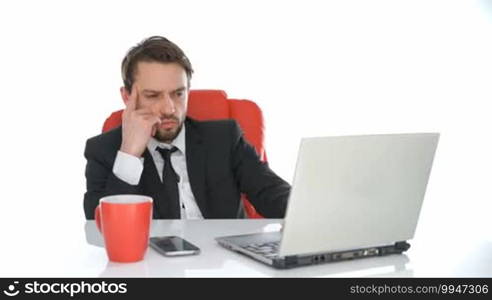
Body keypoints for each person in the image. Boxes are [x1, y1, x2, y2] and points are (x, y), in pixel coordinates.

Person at [83, 36, 290, 219]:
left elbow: (274, 194)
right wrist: (130, 153)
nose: (169, 108)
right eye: (153, 95)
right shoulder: (103, 151)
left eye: (178, 94)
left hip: (226, 261)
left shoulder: (225, 139)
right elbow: (101, 231)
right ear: (127, 97)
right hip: (151, 262)